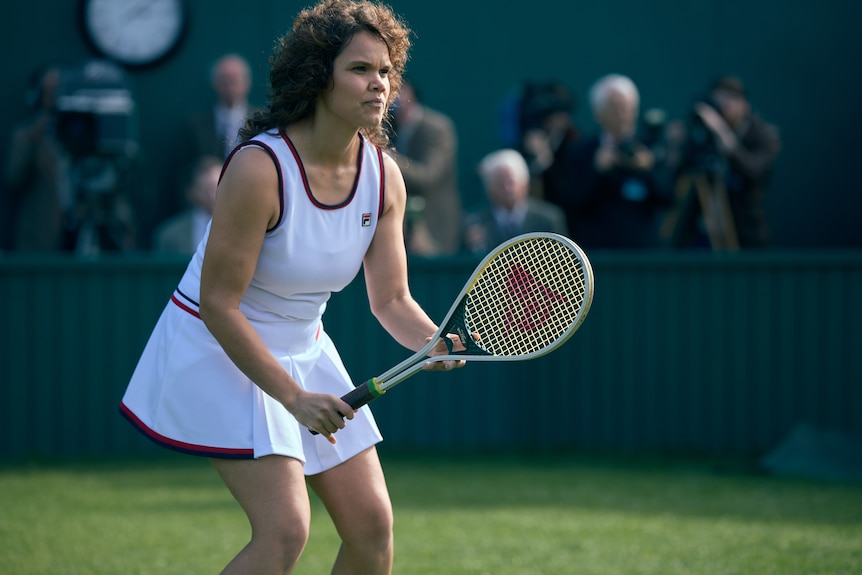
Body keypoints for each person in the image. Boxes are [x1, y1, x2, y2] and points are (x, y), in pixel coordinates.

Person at [118, 2, 469, 573]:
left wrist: (432, 340)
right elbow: (218, 305)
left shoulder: (385, 178)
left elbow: (391, 299)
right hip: (218, 343)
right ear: (317, 74)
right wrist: (294, 397)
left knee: (372, 530)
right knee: (284, 531)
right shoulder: (259, 169)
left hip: (304, 343)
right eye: (360, 69)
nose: (378, 84)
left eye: (385, 71)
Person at [546, 73, 669, 249]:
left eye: (629, 108)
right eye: (616, 108)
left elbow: (668, 198)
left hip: (644, 257)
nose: (623, 115)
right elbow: (572, 204)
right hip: (598, 256)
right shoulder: (580, 151)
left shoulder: (650, 149)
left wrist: (647, 170)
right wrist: (597, 171)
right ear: (598, 112)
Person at [663, 76, 782, 249]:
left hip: (745, 236)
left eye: (730, 101)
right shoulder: (702, 136)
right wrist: (676, 146)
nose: (724, 108)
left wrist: (721, 131)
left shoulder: (764, 135)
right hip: (700, 236)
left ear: (745, 105)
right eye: (719, 102)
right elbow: (674, 180)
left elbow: (753, 171)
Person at [390, 78, 462, 255]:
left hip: (434, 229)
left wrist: (389, 159)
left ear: (410, 92)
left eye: (396, 89)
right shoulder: (388, 128)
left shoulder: (438, 128)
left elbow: (429, 176)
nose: (390, 97)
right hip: (400, 231)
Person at [3, 65, 70, 251]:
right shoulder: (26, 136)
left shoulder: (90, 137)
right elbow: (13, 179)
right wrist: (34, 138)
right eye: (50, 92)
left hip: (80, 242)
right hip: (40, 240)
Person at [462, 148, 568, 255]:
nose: (508, 188)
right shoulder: (473, 222)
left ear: (525, 183)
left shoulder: (550, 219)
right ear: (489, 189)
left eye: (511, 182)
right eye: (500, 183)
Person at [152, 155, 221, 254]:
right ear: (191, 192)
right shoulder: (169, 235)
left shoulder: (245, 229)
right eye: (206, 189)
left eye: (217, 187)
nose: (212, 195)